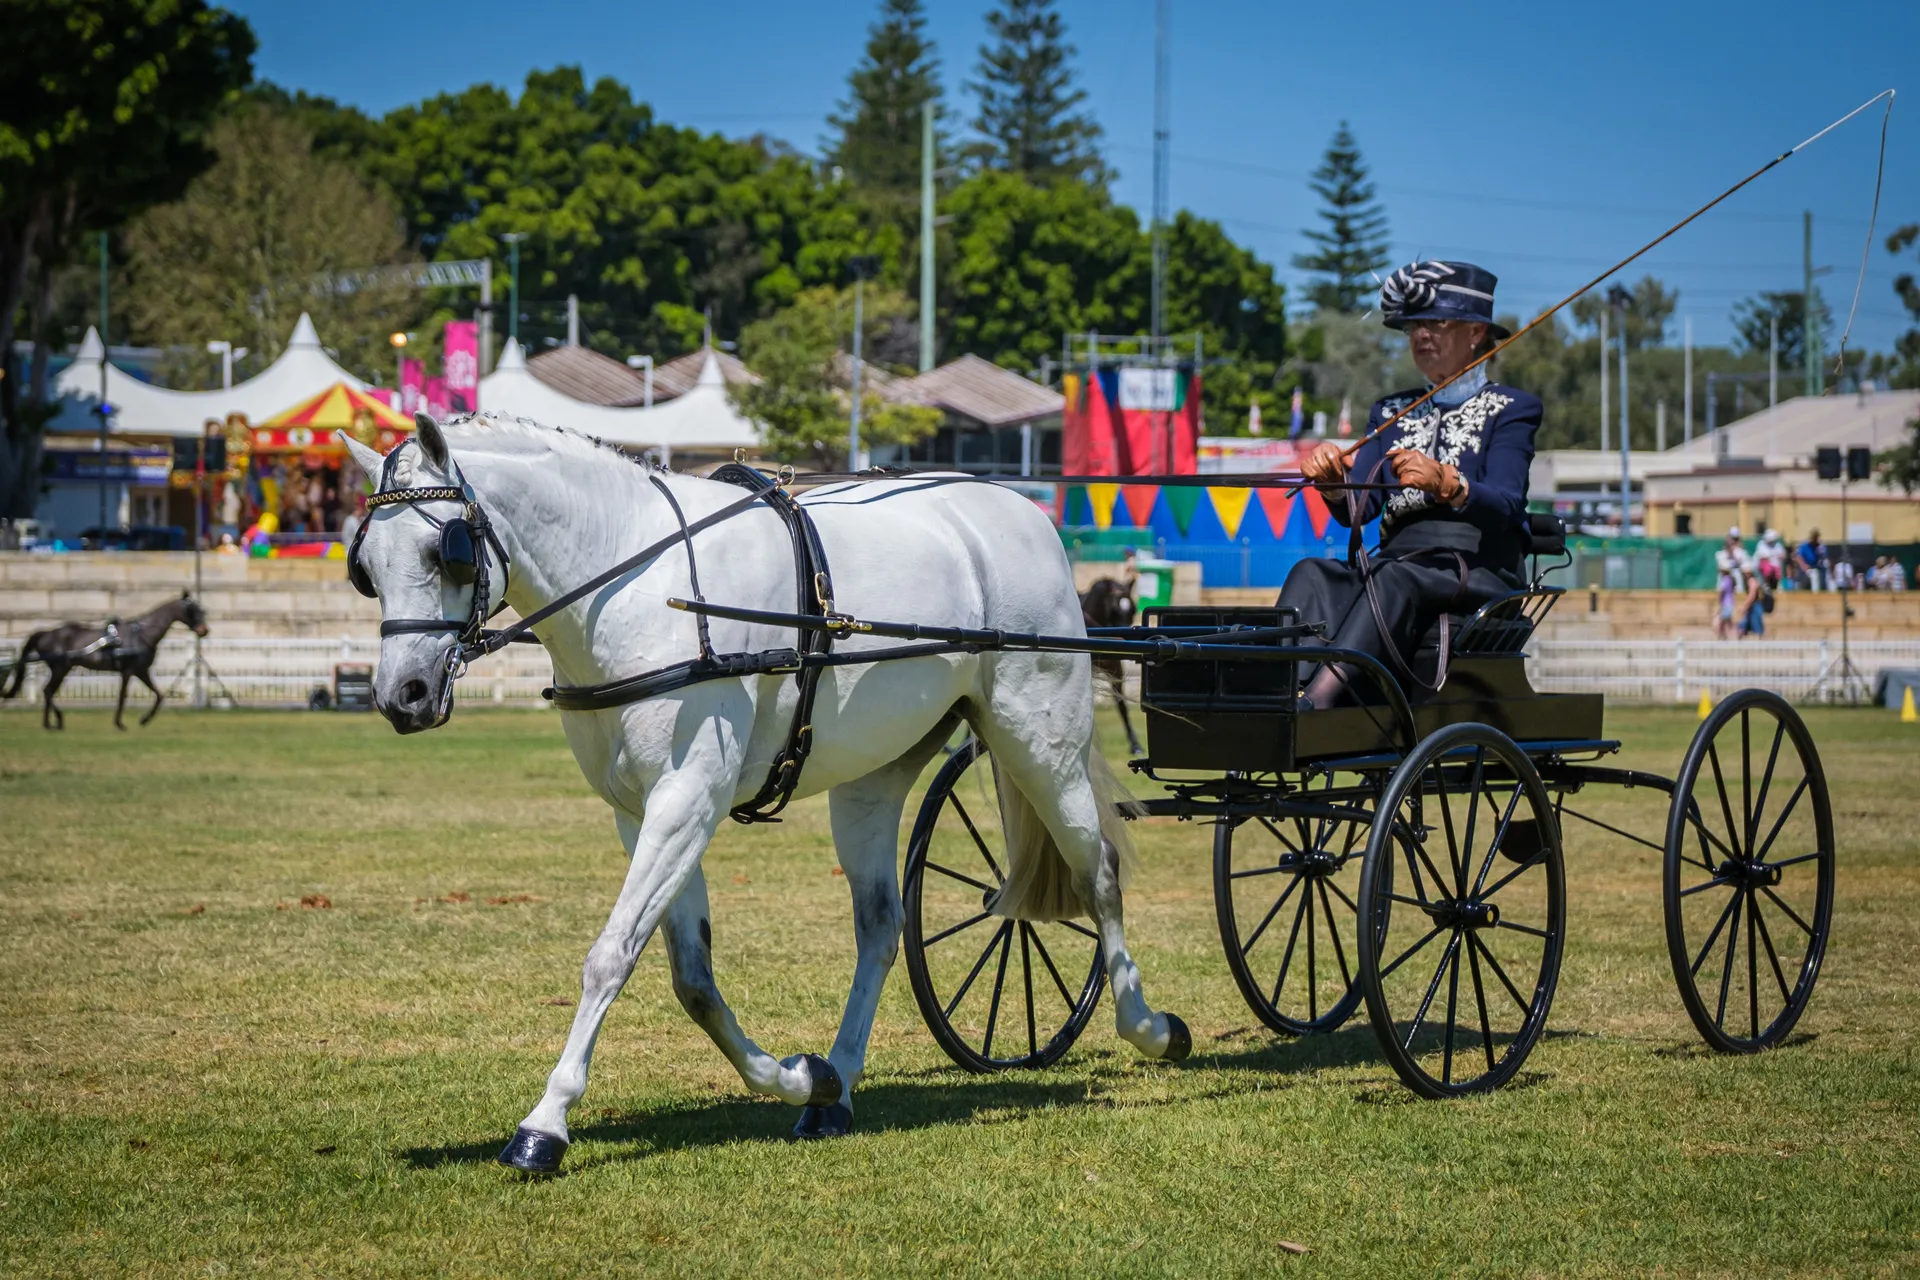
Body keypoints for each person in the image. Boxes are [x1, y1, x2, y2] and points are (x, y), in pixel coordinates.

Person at [1281, 260, 1540, 707]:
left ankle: (1318, 703)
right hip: (1397, 565)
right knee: (1313, 573)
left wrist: (1450, 483)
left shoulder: (1511, 408)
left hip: (1476, 570)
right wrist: (1332, 482)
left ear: (1476, 333)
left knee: (1392, 577)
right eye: (1414, 326)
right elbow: (1356, 510)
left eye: (1436, 323)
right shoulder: (1390, 411)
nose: (1421, 335)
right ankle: (1278, 691)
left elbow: (1507, 503)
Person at [1714, 528, 1744, 640]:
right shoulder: (1720, 555)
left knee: (1729, 619)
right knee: (1725, 619)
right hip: (1727, 601)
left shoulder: (1739, 552)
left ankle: (1728, 636)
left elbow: (1740, 563)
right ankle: (1724, 636)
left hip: (1731, 598)